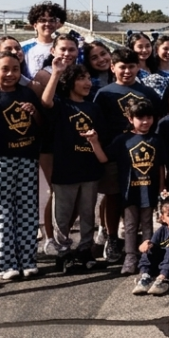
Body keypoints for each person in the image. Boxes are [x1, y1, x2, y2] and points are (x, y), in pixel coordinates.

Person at [0, 50, 41, 281]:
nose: (10, 74)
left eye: (15, 69)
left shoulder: (27, 93)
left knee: (27, 209)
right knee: (3, 211)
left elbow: (40, 124)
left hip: (27, 157)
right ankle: (6, 263)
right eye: (4, 69)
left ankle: (28, 260)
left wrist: (34, 113)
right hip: (0, 159)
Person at [40, 60, 104, 265]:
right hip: (65, 170)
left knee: (87, 212)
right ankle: (63, 251)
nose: (87, 83)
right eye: (81, 78)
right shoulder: (61, 105)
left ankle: (85, 248)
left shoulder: (94, 108)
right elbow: (45, 101)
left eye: (88, 78)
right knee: (62, 214)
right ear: (70, 82)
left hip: (89, 169)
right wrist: (56, 73)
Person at [94, 101, 166, 275]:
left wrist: (162, 187)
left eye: (149, 117)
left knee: (148, 226)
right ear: (130, 119)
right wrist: (94, 142)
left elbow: (161, 167)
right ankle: (130, 257)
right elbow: (104, 158)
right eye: (140, 118)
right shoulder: (122, 140)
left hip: (149, 191)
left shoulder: (156, 140)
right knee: (130, 226)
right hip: (129, 192)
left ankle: (147, 258)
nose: (145, 122)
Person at [132, 194, 169, 296]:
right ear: (163, 218)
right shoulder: (162, 231)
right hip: (161, 267)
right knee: (149, 247)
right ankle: (145, 277)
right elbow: (151, 246)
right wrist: (144, 245)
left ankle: (161, 280)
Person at [22, 1, 66, 78]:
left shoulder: (64, 47)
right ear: (35, 25)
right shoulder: (23, 47)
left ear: (56, 24)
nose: (47, 24)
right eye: (42, 21)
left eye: (52, 20)